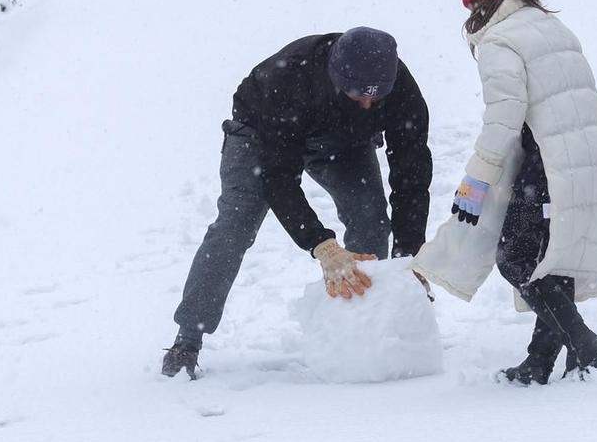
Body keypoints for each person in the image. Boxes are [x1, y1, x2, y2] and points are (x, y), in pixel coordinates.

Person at [412, 0, 597, 385]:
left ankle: (585, 345)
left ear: (479, 2)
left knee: (515, 257)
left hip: (550, 166)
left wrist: (474, 185)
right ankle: (541, 361)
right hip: (587, 159)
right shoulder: (551, 26)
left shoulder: (500, 42)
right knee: (551, 259)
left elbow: (503, 121)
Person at [165, 27, 432, 379]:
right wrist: (321, 244)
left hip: (344, 142)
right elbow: (279, 178)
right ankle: (188, 337)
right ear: (337, 78)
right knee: (235, 225)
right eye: (357, 95)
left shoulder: (400, 89)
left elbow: (411, 174)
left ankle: (366, 329)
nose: (368, 104)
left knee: (370, 219)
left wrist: (408, 256)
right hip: (260, 136)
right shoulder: (290, 77)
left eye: (376, 98)